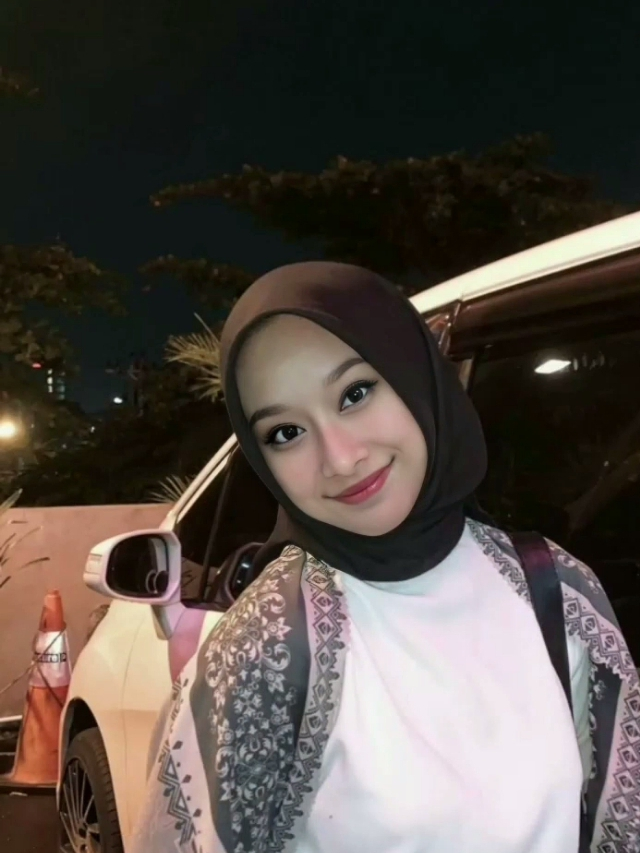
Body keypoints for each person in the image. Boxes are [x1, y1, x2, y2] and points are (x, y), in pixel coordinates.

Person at [131, 262, 639, 853]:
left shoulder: (556, 589)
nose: (340, 458)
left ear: (414, 376)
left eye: (354, 394)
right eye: (285, 433)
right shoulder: (269, 641)